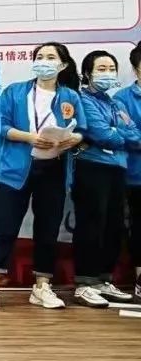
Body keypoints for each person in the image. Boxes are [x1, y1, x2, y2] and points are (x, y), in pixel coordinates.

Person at [0, 43, 84, 311]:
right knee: (5, 227)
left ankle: (42, 286)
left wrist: (71, 139)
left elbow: (82, 130)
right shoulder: (15, 91)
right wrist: (30, 137)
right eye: (40, 56)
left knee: (48, 230)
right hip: (16, 169)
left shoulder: (70, 96)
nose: (44, 61)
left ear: (62, 65)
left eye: (50, 57)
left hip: (54, 169)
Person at [72, 50, 139, 307]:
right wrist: (118, 134)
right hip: (92, 167)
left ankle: (103, 279)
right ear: (87, 73)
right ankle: (85, 283)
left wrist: (117, 133)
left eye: (111, 69)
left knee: (114, 225)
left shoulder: (115, 103)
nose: (107, 73)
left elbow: (133, 134)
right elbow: (102, 134)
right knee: (92, 223)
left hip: (118, 168)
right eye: (101, 69)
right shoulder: (83, 100)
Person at [115, 41, 141, 302]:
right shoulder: (122, 99)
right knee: (139, 226)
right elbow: (128, 135)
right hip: (136, 175)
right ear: (136, 68)